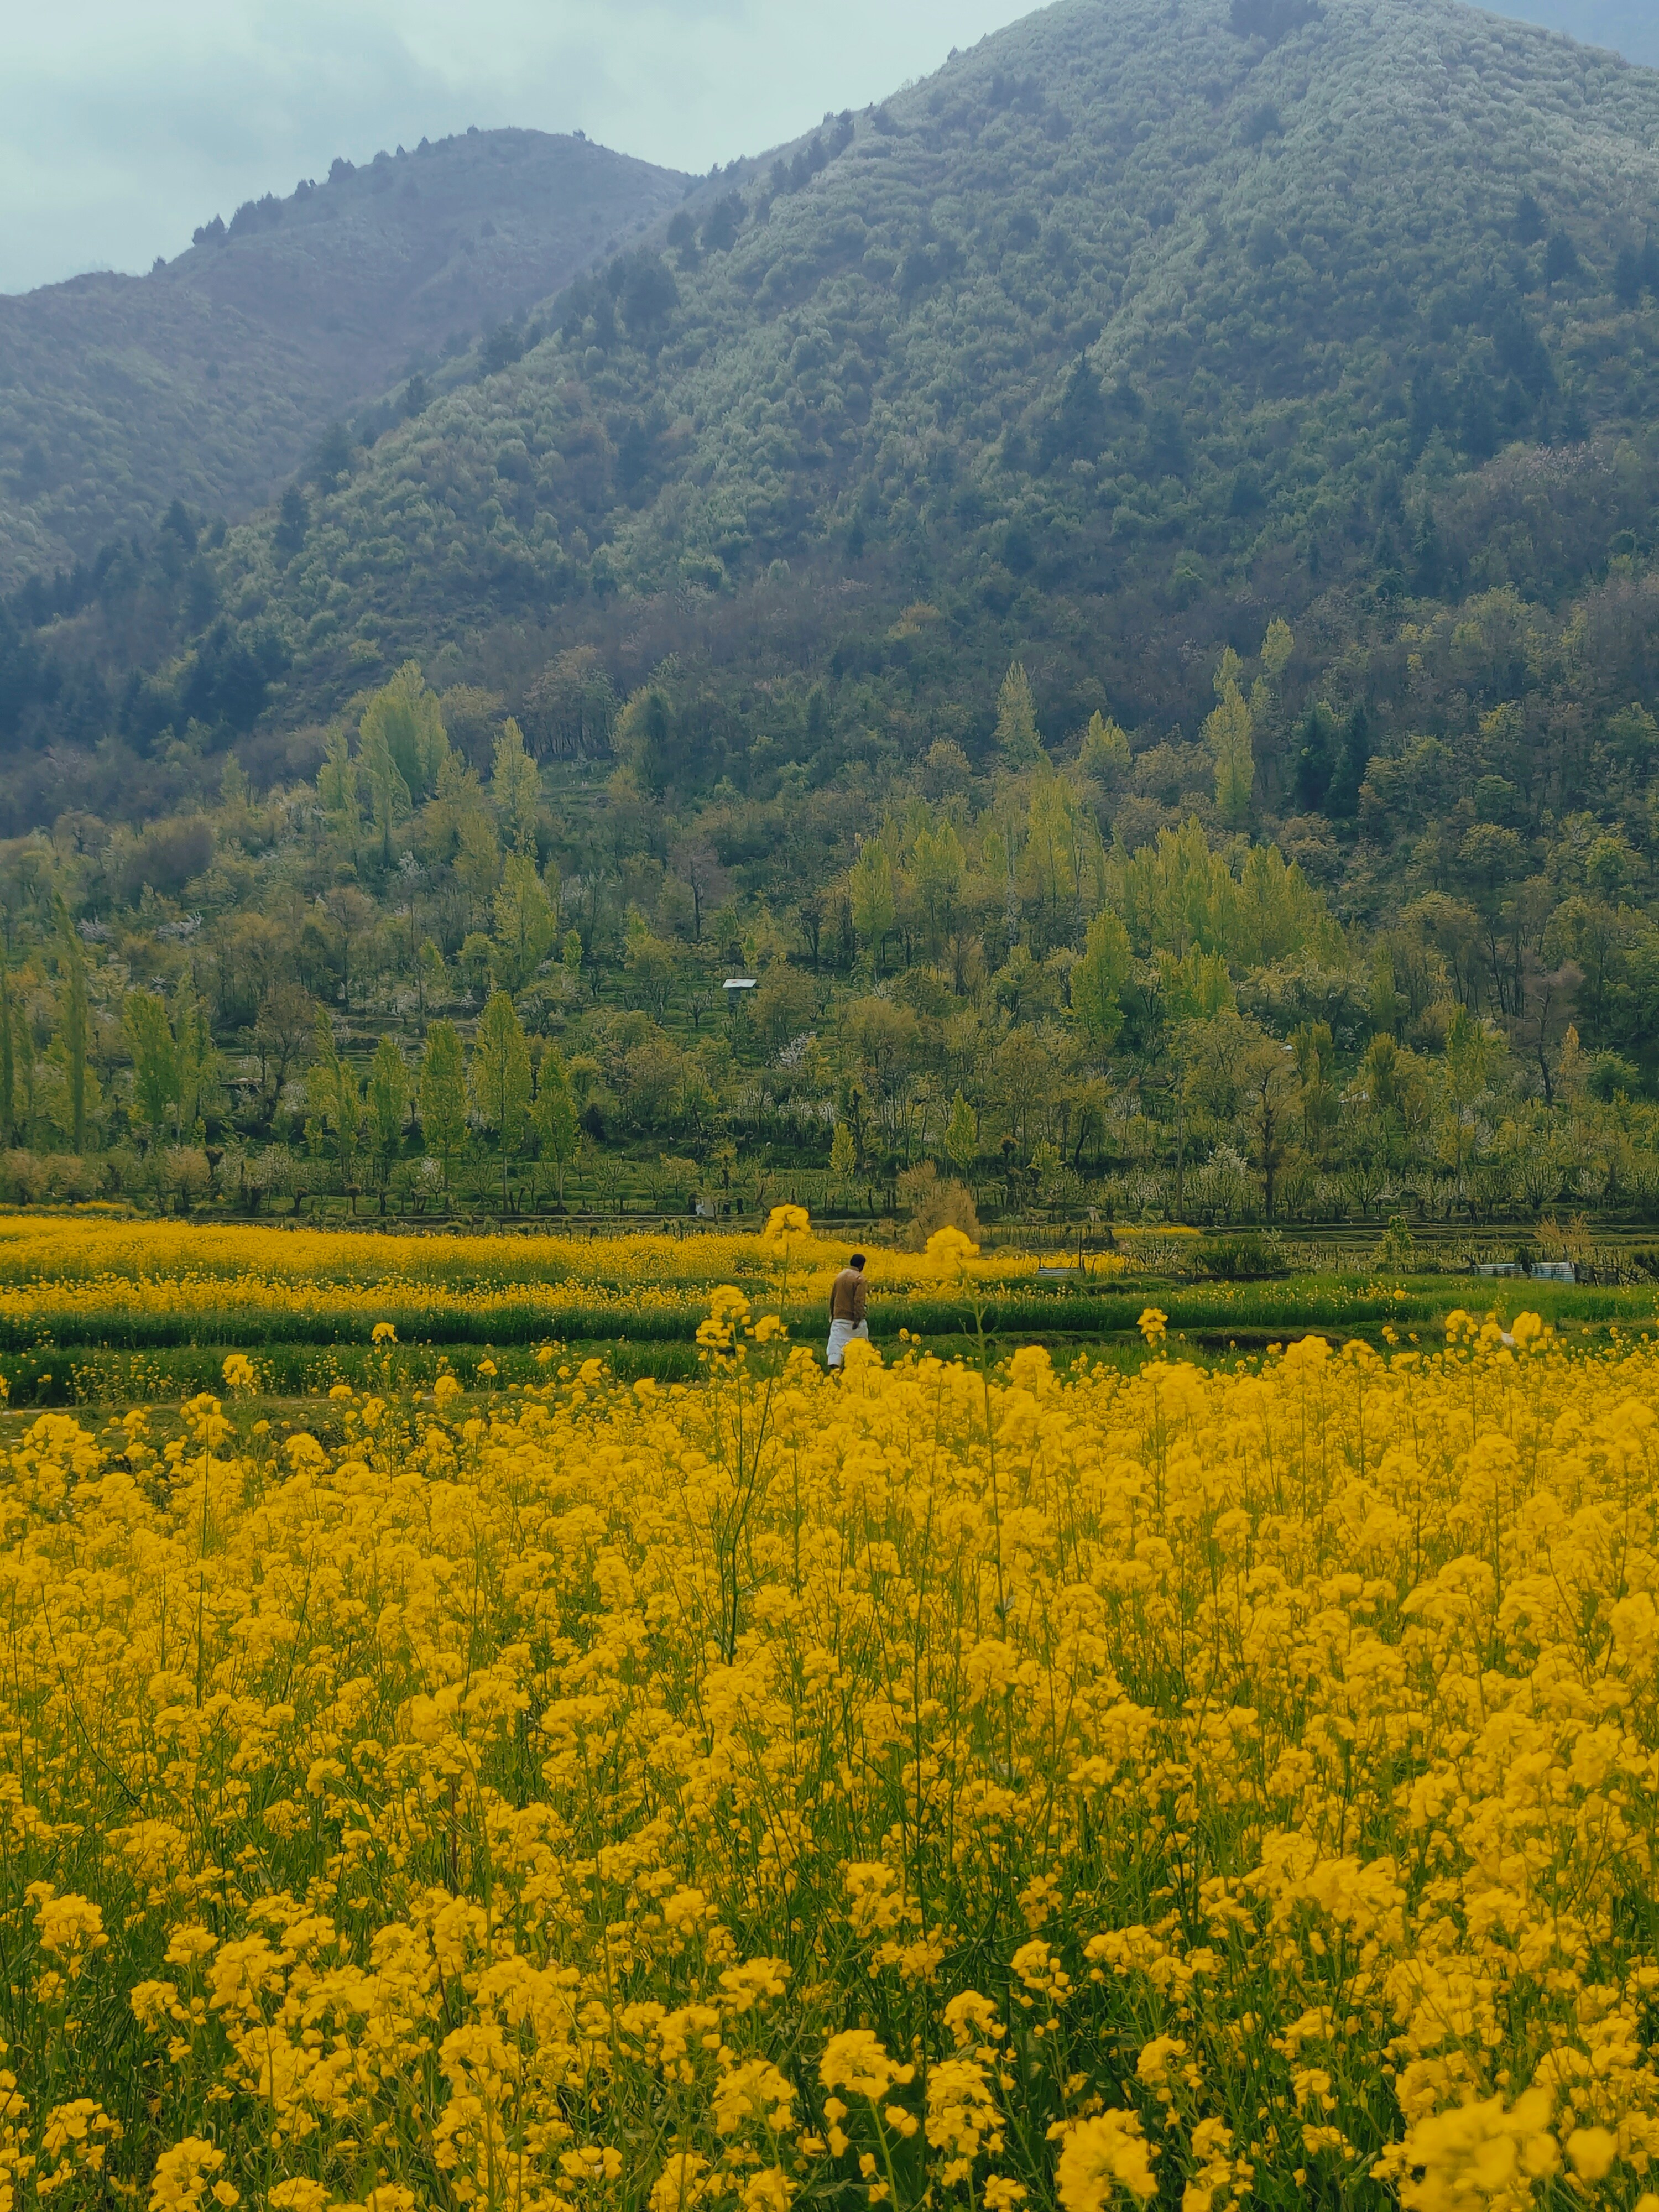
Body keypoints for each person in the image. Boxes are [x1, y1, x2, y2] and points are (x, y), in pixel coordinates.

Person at [826, 1252, 869, 1369]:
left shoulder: (839, 1277)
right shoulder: (860, 1279)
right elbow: (859, 1301)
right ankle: (860, 1366)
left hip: (838, 1318)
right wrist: (858, 1319)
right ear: (861, 1266)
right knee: (862, 1344)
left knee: (836, 1343)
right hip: (852, 1320)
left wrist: (832, 1316)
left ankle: (835, 1367)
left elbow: (832, 1298)